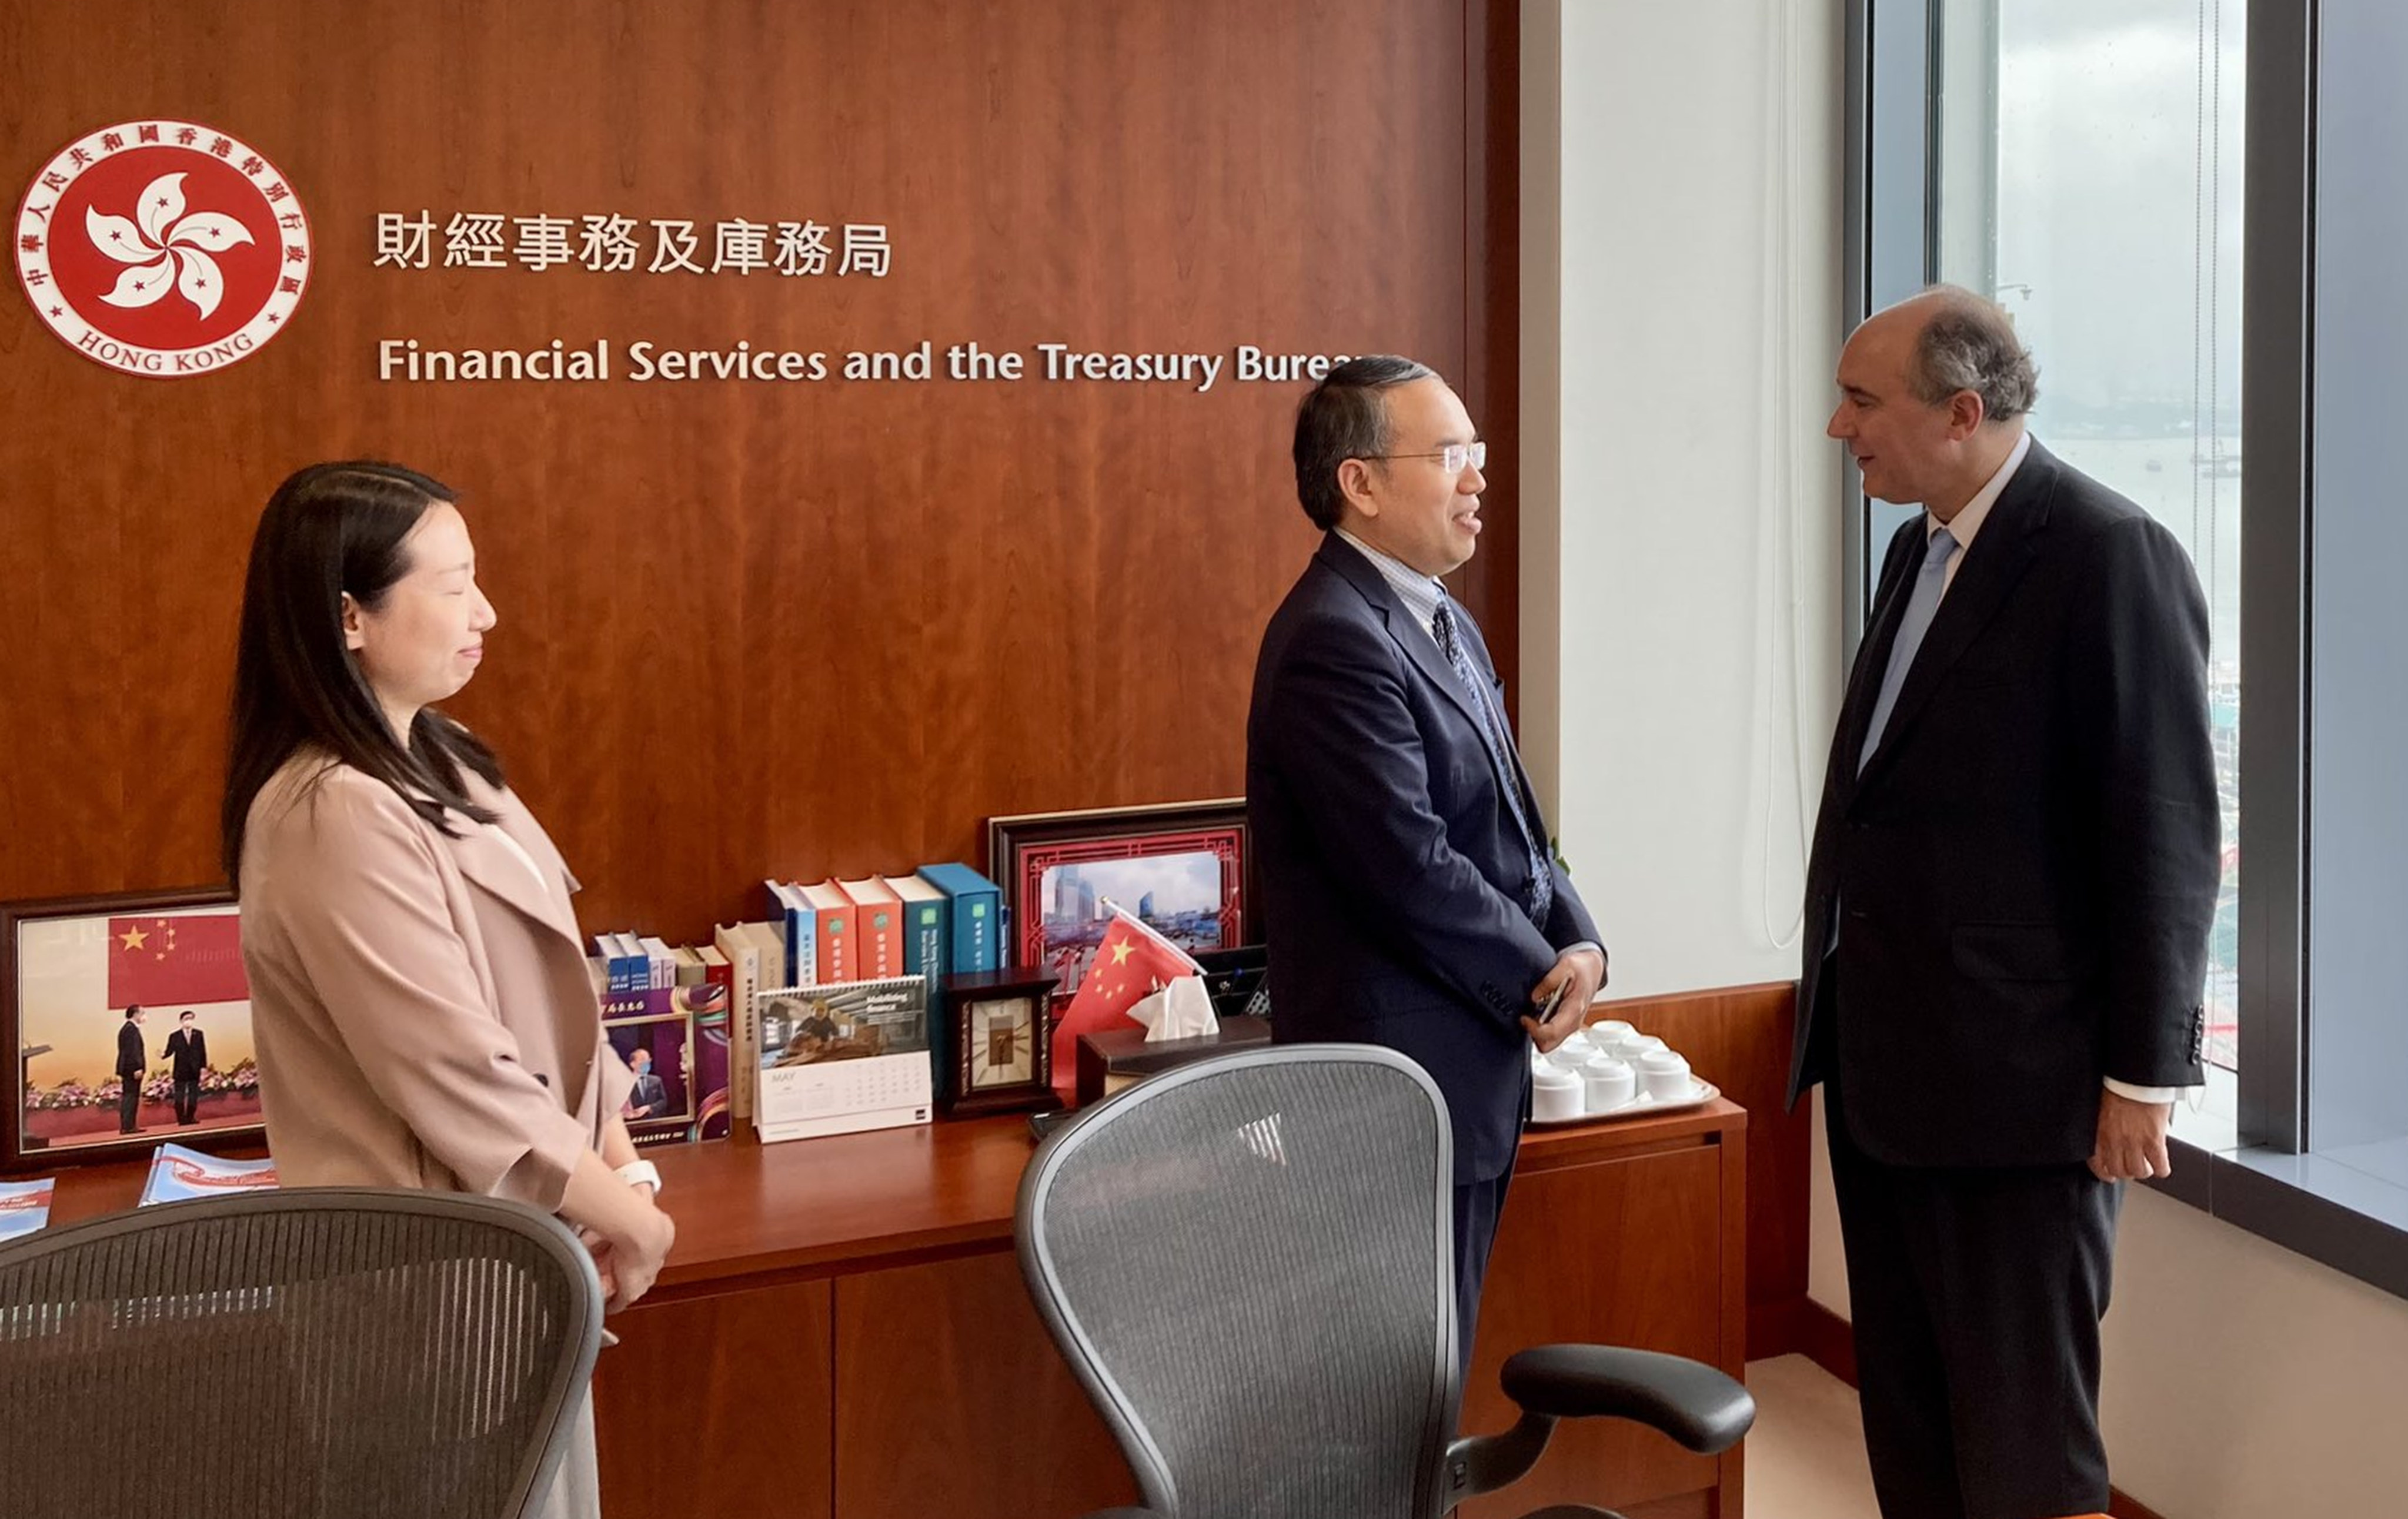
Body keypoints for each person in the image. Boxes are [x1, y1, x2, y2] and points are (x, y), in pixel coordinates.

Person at [1791, 287, 2217, 1519]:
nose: (1837, 427)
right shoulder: (1912, 547)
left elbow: (2166, 829)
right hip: (1884, 1072)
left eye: (1861, 402)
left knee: (2023, 1438)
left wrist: (2143, 1074)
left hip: (2022, 1094)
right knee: (1913, 1418)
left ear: (1961, 413)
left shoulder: (2105, 553)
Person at [222, 461, 675, 1519]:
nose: (488, 612)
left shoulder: (446, 757)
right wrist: (628, 1219)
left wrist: (625, 1173)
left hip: (530, 1250)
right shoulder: (329, 808)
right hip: (428, 1287)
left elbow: (555, 995)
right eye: (455, 584)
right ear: (350, 616)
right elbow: (453, 1068)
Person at [1247, 356, 1607, 1366]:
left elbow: (1514, 825)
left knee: (1428, 1363)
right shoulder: (1335, 638)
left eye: (1476, 455)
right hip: (1395, 1091)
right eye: (1451, 455)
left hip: (1463, 1069)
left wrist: (1581, 938)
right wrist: (1542, 969)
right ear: (1359, 482)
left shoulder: (1436, 613)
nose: (1478, 480)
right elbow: (1410, 866)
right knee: (1388, 1381)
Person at [162, 1010, 208, 1124]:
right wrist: (163, 1055)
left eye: (191, 1019)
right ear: (181, 1021)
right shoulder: (174, 1036)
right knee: (180, 1095)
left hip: (194, 1069)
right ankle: (181, 1119)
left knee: (193, 1095)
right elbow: (170, 1051)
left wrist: (203, 1067)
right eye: (186, 1019)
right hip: (180, 1070)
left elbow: (202, 1051)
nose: (189, 1021)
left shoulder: (198, 1034)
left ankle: (191, 1117)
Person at [115, 1005, 146, 1134]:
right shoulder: (130, 1030)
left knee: (132, 1097)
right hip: (131, 1069)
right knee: (130, 1097)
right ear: (135, 1014)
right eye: (142, 1013)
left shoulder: (130, 1029)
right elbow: (132, 1052)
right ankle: (128, 1127)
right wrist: (138, 1068)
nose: (144, 1016)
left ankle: (130, 1125)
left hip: (129, 1069)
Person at [622, 1046, 668, 1120]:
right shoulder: (625, 1082)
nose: (646, 1063)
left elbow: (663, 1102)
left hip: (654, 1122)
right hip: (634, 1123)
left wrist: (649, 1108)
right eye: (643, 1060)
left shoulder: (656, 1080)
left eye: (648, 1060)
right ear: (633, 1064)